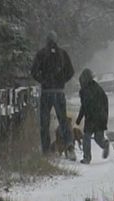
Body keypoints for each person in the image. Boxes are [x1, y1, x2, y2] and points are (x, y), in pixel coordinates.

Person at [31, 30, 76, 161]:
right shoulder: (63, 54)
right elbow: (71, 72)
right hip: (59, 92)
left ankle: (46, 151)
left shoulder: (41, 54)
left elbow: (34, 72)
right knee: (63, 121)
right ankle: (70, 147)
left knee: (44, 122)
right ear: (56, 40)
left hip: (46, 92)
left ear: (46, 40)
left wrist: (43, 80)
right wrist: (62, 81)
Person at [76, 68, 110, 164]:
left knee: (91, 138)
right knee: (93, 138)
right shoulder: (97, 88)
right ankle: (103, 146)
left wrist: (79, 119)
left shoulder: (86, 91)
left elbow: (84, 106)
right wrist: (105, 117)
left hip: (93, 117)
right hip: (99, 117)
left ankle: (88, 157)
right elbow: (105, 103)